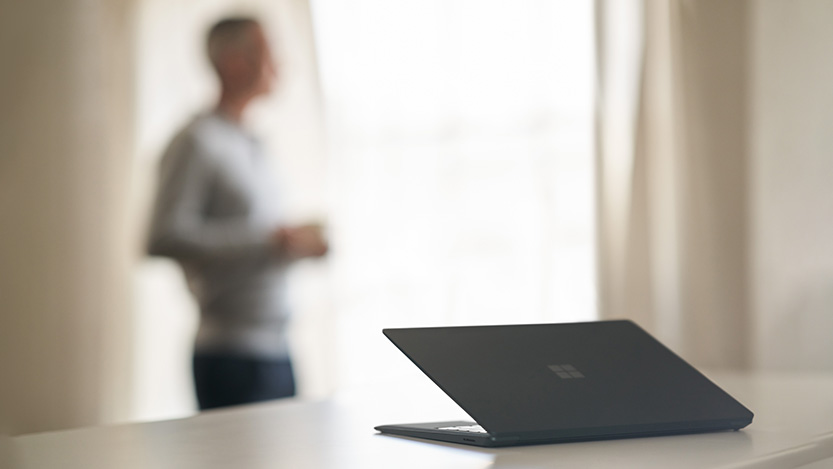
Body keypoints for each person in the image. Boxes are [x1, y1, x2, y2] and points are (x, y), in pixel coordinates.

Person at [147, 17, 327, 410]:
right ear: (234, 62)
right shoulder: (196, 141)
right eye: (268, 53)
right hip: (229, 356)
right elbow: (163, 236)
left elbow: (257, 236)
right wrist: (267, 242)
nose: (280, 64)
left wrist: (292, 244)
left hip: (277, 349)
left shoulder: (252, 143)